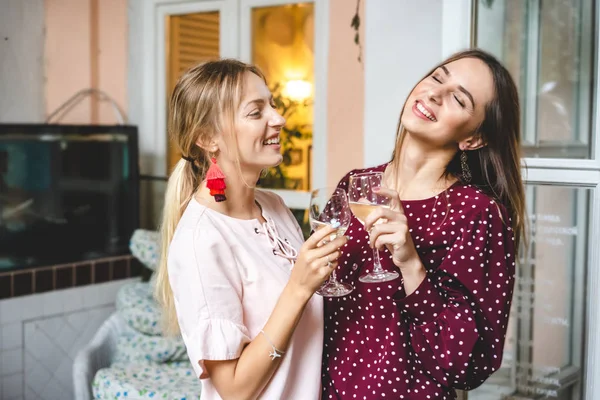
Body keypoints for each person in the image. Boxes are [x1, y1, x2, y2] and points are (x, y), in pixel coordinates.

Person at [321, 48, 525, 399]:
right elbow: (315, 291)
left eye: (458, 99)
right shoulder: (356, 185)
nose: (434, 94)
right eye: (437, 78)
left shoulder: (477, 213)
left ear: (473, 138)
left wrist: (410, 262)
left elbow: (466, 365)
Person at [154, 59, 347, 400]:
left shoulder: (273, 206)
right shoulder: (202, 240)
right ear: (207, 138)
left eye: (271, 105)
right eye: (256, 112)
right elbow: (234, 390)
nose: (280, 119)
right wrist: (299, 288)